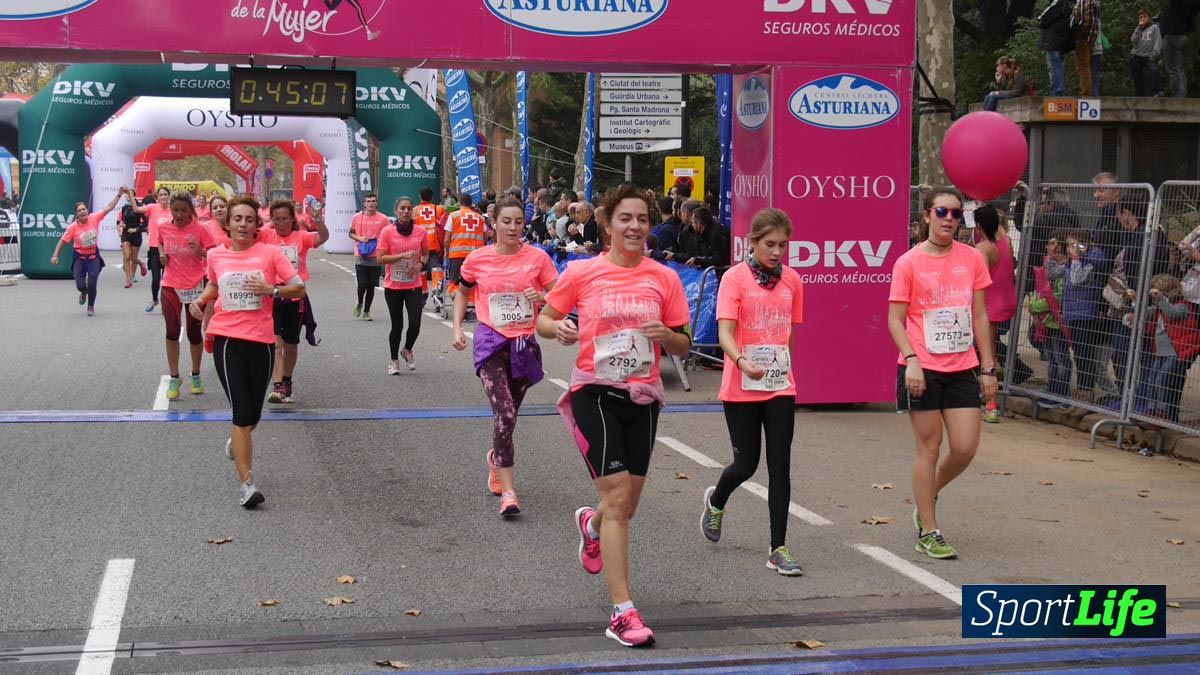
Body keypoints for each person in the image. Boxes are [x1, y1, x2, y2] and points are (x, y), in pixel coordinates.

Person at [537, 185, 692, 648]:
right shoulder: (583, 272)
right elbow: (546, 317)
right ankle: (623, 612)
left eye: (643, 219)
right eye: (626, 218)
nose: (635, 227)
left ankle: (591, 523)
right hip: (594, 391)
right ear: (607, 223)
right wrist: (559, 328)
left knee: (625, 506)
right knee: (620, 501)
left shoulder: (663, 278)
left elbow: (684, 345)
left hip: (642, 396)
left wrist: (666, 332)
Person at [888, 188, 996, 560]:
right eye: (941, 211)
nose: (949, 218)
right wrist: (911, 359)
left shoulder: (972, 259)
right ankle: (929, 530)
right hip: (922, 368)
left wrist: (988, 367)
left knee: (965, 447)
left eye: (955, 212)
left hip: (962, 365)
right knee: (929, 448)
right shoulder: (909, 262)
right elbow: (895, 320)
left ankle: (926, 494)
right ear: (926, 216)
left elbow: (980, 315)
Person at [699, 208, 805, 576]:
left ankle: (778, 548)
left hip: (779, 386)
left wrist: (777, 362)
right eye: (769, 245)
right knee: (745, 465)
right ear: (753, 242)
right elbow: (725, 331)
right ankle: (716, 500)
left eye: (782, 246)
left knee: (781, 467)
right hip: (741, 384)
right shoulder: (734, 279)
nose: (776, 253)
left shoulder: (793, 280)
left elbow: (789, 330)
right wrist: (742, 361)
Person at [189, 196, 305, 508]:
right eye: (237, 219)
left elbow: (298, 287)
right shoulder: (215, 255)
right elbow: (214, 286)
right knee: (241, 412)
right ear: (227, 223)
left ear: (257, 225)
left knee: (252, 416)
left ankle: (237, 441)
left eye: (249, 220)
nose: (243, 224)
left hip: (262, 341)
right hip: (227, 339)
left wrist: (272, 290)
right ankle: (247, 484)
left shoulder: (270, 254)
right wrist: (199, 301)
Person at [453, 195, 558, 516]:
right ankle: (509, 492)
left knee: (507, 417)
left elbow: (559, 295)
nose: (513, 227)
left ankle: (495, 460)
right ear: (494, 224)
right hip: (490, 343)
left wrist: (541, 296)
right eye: (506, 221)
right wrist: (457, 327)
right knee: (506, 414)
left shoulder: (538, 258)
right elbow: (462, 291)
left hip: (523, 346)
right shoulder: (477, 259)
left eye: (518, 222)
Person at [259, 199, 328, 404]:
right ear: (272, 220)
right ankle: (278, 386)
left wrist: (317, 219)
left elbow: (323, 237)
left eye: (285, 219)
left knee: (290, 344)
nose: (281, 223)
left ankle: (287, 380)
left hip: (294, 295)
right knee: (276, 342)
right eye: (277, 219)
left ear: (292, 219)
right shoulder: (265, 234)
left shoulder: (300, 237)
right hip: (271, 295)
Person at [158, 192, 216, 401]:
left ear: (191, 210)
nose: (179, 214)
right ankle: (174, 376)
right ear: (170, 210)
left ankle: (196, 374)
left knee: (193, 332)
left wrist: (200, 250)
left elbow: (214, 254)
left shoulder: (201, 229)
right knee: (172, 330)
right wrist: (162, 256)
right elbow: (160, 244)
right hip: (171, 284)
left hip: (195, 285)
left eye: (184, 210)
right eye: (176, 210)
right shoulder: (164, 227)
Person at [49, 189, 127, 316]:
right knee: (80, 285)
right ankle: (83, 292)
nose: (82, 211)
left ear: (87, 210)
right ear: (77, 214)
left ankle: (90, 306)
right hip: (79, 257)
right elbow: (62, 242)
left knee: (92, 282)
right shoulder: (73, 227)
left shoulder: (94, 218)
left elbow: (109, 207)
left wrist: (118, 195)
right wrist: (55, 255)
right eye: (79, 210)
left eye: (84, 209)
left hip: (93, 256)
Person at [973, 206, 1018, 423]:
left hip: (989, 306)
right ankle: (990, 397)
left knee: (986, 357)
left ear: (979, 226)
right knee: (989, 353)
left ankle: (991, 405)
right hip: (1006, 300)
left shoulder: (983, 248)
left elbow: (979, 280)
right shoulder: (1006, 242)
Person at [378, 197, 429, 374]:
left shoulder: (421, 231)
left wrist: (420, 265)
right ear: (396, 211)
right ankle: (393, 360)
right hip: (393, 286)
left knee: (415, 323)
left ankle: (407, 349)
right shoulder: (387, 232)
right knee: (397, 325)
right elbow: (380, 258)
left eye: (409, 208)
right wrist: (402, 256)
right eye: (402, 208)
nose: (406, 211)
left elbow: (426, 254)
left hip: (413, 285)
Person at [1139, 274, 1199, 422]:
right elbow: (1144, 314)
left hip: (1174, 353)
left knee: (1162, 381)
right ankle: (1151, 411)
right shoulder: (1159, 308)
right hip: (1160, 353)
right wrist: (1135, 302)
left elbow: (1172, 314)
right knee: (1152, 381)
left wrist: (1160, 299)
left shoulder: (1182, 306)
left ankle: (1162, 413)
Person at [1028, 236, 1073, 409]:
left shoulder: (1064, 270)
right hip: (1046, 320)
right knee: (1052, 357)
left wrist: (1036, 305)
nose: (1049, 246)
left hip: (1058, 320)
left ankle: (1061, 393)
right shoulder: (1049, 265)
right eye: (1049, 243)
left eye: (1053, 243)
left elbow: (1057, 296)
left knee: (1061, 358)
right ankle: (1052, 388)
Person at [129, 186, 174, 313]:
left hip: (169, 250)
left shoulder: (173, 210)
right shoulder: (152, 208)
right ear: (157, 197)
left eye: (166, 194)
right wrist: (130, 195)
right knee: (155, 279)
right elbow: (136, 209)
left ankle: (167, 303)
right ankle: (155, 299)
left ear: (169, 196)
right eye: (161, 195)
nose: (164, 197)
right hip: (154, 249)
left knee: (167, 280)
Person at [444, 193, 489, 309]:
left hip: (457, 254)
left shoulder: (453, 216)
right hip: (476, 256)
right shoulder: (480, 218)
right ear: (471, 204)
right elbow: (485, 236)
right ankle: (470, 305)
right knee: (473, 282)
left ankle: (459, 300)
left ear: (459, 202)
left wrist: (447, 251)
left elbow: (447, 238)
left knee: (454, 282)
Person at [349, 193, 389, 321]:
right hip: (361, 255)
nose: (371, 203)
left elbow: (388, 234)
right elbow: (350, 233)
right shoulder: (356, 217)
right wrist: (360, 238)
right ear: (364, 204)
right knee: (362, 284)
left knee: (371, 286)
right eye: (368, 201)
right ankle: (360, 302)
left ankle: (367, 311)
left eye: (373, 201)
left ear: (376, 203)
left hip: (376, 256)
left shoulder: (383, 218)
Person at [414, 186, 448, 296]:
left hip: (419, 247)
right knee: (437, 271)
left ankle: (422, 297)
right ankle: (437, 295)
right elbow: (445, 227)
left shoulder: (415, 211)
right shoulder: (439, 209)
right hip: (435, 246)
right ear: (432, 197)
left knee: (421, 272)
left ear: (420, 197)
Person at [1160, 0, 1198, 97]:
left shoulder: (1179, 3)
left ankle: (1179, 93)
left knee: (1173, 69)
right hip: (1181, 36)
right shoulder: (1190, 5)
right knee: (1178, 68)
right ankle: (1180, 92)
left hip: (1172, 36)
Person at [1039, 0, 1076, 96]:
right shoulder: (1068, 6)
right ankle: (1057, 92)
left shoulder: (1058, 2)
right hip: (1060, 42)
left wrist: (1040, 20)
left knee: (1054, 67)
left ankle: (1057, 93)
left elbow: (1043, 17)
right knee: (1055, 67)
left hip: (1053, 42)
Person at [1131, 8, 1165, 96]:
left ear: (1149, 18)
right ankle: (1139, 95)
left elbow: (1157, 43)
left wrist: (1153, 55)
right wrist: (1138, 28)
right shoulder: (1138, 29)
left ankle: (1157, 91)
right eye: (1140, 17)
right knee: (1137, 77)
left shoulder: (1154, 28)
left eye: (1144, 17)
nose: (1142, 19)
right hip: (1137, 55)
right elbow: (1133, 40)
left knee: (1154, 71)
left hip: (1149, 56)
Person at [1070, 0, 1100, 96]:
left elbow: (1085, 20)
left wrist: (1075, 31)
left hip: (1082, 37)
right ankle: (1086, 94)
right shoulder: (1094, 2)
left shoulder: (1084, 0)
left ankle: (1085, 95)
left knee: (1083, 67)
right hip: (1088, 38)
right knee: (1085, 67)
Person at [118, 196, 148, 288]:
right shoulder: (125, 207)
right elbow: (122, 220)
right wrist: (121, 224)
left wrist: (136, 229)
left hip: (136, 235)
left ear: (133, 196)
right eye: (127, 196)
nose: (128, 198)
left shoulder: (139, 207)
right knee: (127, 257)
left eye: (129, 195)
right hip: (126, 234)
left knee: (133, 259)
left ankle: (141, 263)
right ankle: (128, 280)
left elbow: (145, 223)